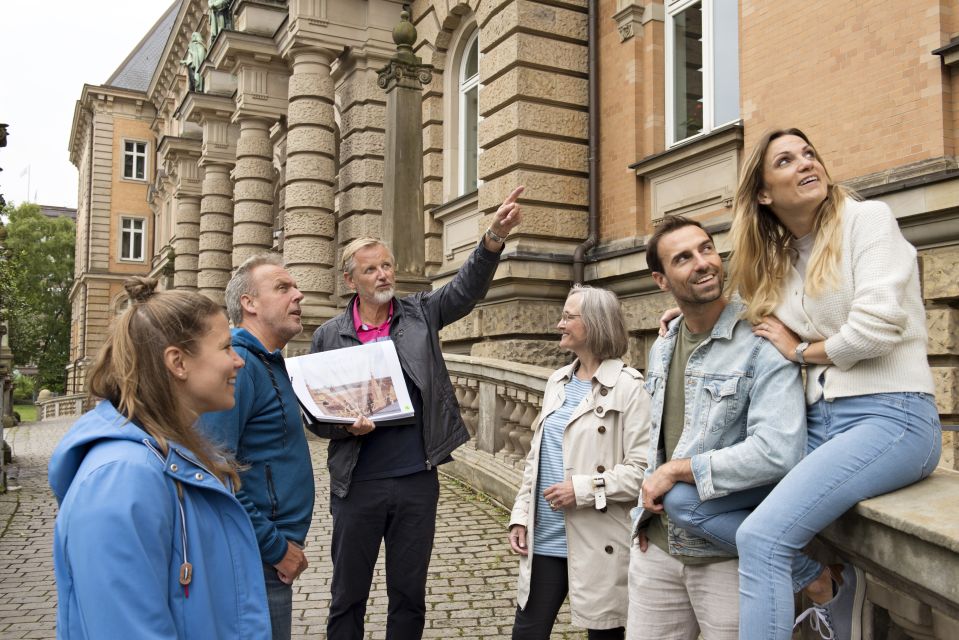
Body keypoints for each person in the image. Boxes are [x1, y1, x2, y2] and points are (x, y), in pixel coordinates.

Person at [725, 128, 942, 640]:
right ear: (763, 192)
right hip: (822, 422)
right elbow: (751, 314)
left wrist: (802, 351)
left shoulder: (867, 222)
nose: (806, 163)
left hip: (892, 416)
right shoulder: (786, 258)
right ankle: (838, 594)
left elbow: (877, 326)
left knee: (762, 538)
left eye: (809, 153)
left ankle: (830, 595)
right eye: (786, 160)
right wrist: (689, 313)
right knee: (694, 504)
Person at [309, 186, 524, 640]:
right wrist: (346, 426)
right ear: (352, 281)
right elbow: (315, 415)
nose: (384, 274)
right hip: (357, 483)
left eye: (386, 265)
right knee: (347, 593)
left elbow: (465, 291)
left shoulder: (420, 314)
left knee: (408, 594)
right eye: (372, 269)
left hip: (415, 479)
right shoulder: (329, 335)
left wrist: (491, 240)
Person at [49, 277, 270, 638]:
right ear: (177, 362)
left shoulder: (172, 453)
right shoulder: (121, 478)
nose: (237, 361)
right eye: (226, 347)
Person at [627, 216, 806, 640]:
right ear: (661, 279)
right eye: (684, 258)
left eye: (707, 249)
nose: (703, 263)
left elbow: (778, 451)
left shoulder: (762, 339)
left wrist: (676, 471)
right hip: (655, 547)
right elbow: (658, 440)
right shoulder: (663, 344)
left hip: (726, 556)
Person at [507, 285, 649, 640]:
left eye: (569, 317)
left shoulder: (630, 387)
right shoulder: (558, 380)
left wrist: (584, 489)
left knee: (605, 635)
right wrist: (521, 515)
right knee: (526, 634)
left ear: (596, 323)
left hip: (600, 538)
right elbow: (536, 459)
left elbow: (643, 471)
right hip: (545, 538)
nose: (559, 324)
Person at [201, 253, 313, 640]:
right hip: (255, 556)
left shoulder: (271, 361)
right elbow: (213, 468)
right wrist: (276, 546)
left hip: (266, 556)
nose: (298, 295)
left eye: (295, 286)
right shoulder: (240, 366)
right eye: (283, 288)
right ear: (248, 304)